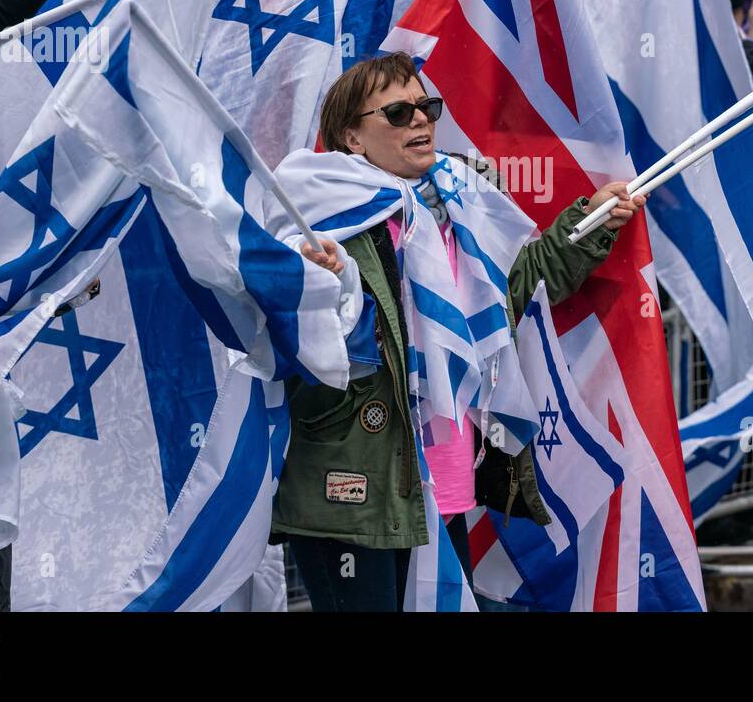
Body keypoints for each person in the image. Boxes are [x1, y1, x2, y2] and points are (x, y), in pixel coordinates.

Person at [270, 52, 646, 612]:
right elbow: (283, 327)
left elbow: (516, 290)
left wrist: (588, 223)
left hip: (442, 469)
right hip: (355, 476)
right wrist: (314, 283)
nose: (420, 120)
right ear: (352, 135)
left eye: (427, 106)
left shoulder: (459, 196)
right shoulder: (312, 211)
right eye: (397, 112)